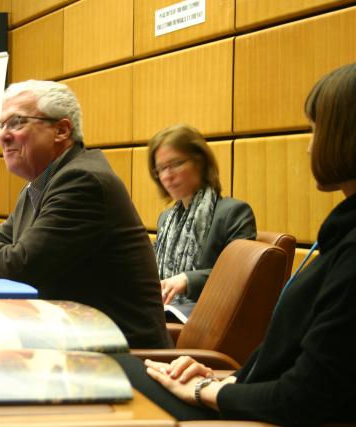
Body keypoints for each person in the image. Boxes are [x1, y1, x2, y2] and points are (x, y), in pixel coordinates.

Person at [113, 63, 356, 425]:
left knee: (110, 369)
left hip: (254, 411)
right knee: (112, 366)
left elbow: (306, 394)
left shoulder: (346, 249)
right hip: (242, 386)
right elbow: (288, 357)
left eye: (315, 129)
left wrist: (205, 390)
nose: (309, 147)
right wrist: (220, 378)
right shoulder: (341, 237)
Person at [0, 80, 171, 349]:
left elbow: (20, 265)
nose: (3, 136)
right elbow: (4, 239)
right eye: (1, 126)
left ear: (61, 130)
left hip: (119, 357)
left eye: (16, 122)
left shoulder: (82, 182)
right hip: (72, 341)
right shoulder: (42, 183)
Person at [148, 124, 256, 319]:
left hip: (207, 323)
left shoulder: (234, 213)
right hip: (163, 315)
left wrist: (188, 280)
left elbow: (239, 278)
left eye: (176, 164)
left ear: (200, 162)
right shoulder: (166, 220)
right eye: (161, 169)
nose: (167, 176)